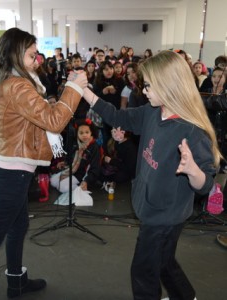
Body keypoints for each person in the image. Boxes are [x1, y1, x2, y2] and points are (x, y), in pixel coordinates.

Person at [82, 50, 221, 300]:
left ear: (168, 86)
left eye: (147, 86)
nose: (143, 91)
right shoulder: (151, 112)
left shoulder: (191, 132)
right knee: (164, 262)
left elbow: (205, 185)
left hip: (165, 216)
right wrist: (85, 92)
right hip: (149, 206)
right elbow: (117, 116)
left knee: (144, 270)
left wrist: (193, 171)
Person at [0, 27, 87, 298]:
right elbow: (54, 121)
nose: (36, 59)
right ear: (16, 54)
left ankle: (16, 282)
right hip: (11, 173)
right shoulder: (17, 85)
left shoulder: (3, 79)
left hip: (4, 166)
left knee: (18, 226)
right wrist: (74, 88)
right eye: (31, 55)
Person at [50, 118, 101, 194]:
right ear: (77, 134)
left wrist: (86, 181)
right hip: (72, 171)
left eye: (87, 132)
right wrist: (65, 163)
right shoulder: (76, 144)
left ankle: (82, 188)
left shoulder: (94, 147)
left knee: (62, 187)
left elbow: (95, 168)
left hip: (82, 175)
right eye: (81, 133)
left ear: (91, 133)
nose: (84, 135)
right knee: (52, 181)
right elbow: (71, 158)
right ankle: (73, 186)